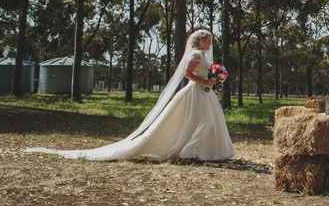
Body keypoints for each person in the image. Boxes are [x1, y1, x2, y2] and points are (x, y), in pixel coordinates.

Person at [26, 29, 235, 162]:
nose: (211, 43)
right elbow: (188, 74)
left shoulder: (201, 55)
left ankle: (202, 151)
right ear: (202, 41)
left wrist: (214, 77)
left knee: (207, 121)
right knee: (202, 122)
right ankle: (192, 151)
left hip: (204, 93)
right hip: (195, 92)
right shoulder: (196, 54)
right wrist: (205, 80)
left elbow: (201, 72)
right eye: (210, 40)